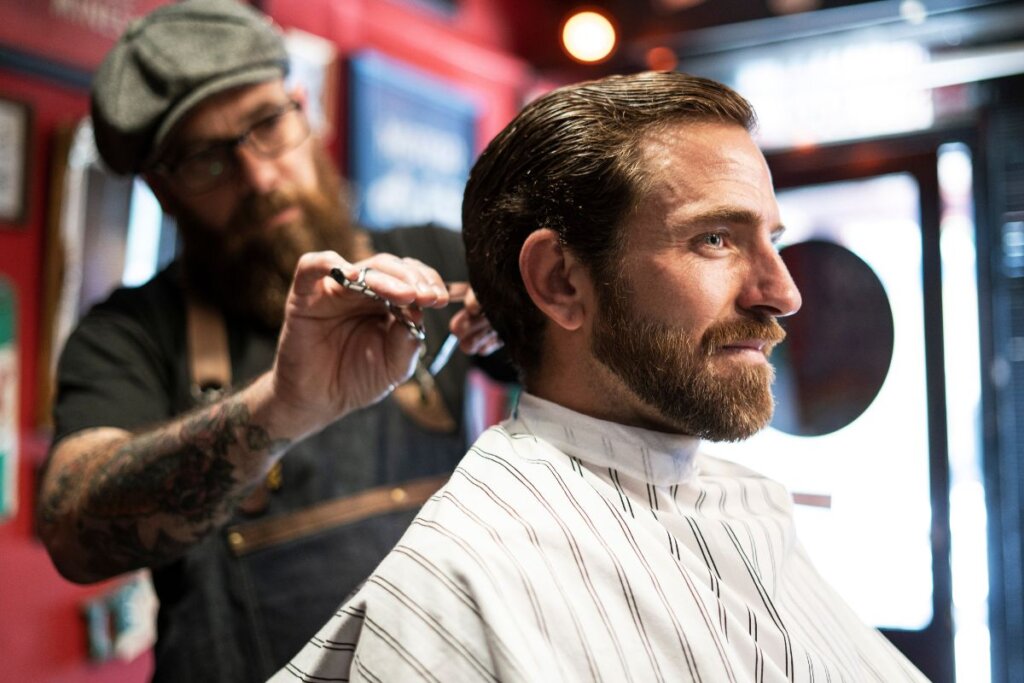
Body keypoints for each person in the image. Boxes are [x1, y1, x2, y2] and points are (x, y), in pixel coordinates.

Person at [272, 71, 929, 682]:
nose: (783, 292)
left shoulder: (748, 506)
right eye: (715, 239)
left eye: (773, 242)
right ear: (560, 281)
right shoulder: (472, 569)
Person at [35, 1, 505, 681]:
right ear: (163, 190)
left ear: (302, 106)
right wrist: (279, 409)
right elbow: (74, 529)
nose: (256, 175)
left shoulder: (435, 257)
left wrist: (524, 319)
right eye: (205, 160)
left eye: (266, 126)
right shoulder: (128, 335)